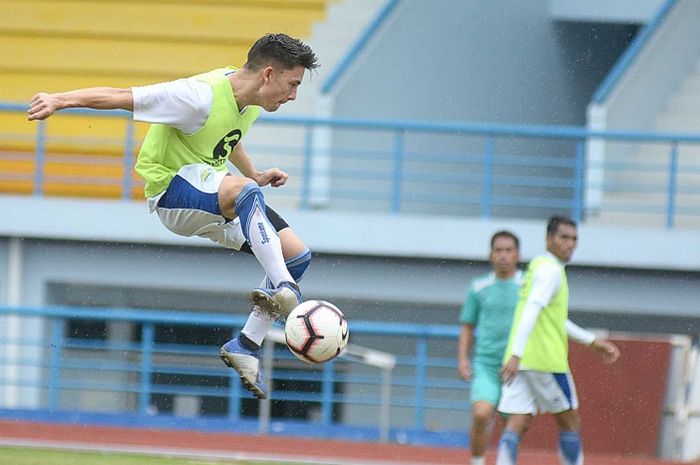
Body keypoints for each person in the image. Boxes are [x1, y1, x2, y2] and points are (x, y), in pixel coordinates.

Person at [27, 33, 320, 400]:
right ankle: (285, 290)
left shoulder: (249, 99)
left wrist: (256, 172)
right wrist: (59, 99)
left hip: (212, 191)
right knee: (246, 193)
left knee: (296, 254)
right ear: (268, 73)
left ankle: (246, 344)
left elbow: (228, 138)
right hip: (172, 192)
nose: (293, 95)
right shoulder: (196, 96)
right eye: (292, 84)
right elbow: (123, 97)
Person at [495, 215, 620, 465]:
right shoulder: (551, 272)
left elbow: (553, 319)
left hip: (521, 362)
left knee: (516, 424)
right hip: (544, 361)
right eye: (564, 237)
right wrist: (517, 354)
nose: (570, 244)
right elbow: (531, 309)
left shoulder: (537, 267)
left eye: (574, 239)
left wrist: (591, 341)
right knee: (570, 421)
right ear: (548, 239)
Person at [458, 231, 523, 465]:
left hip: (518, 368)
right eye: (499, 250)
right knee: (481, 414)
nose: (503, 256)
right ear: (490, 255)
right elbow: (467, 325)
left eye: (508, 250)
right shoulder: (479, 287)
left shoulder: (527, 286)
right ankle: (477, 461)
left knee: (512, 427)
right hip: (486, 364)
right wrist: (463, 359)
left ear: (518, 254)